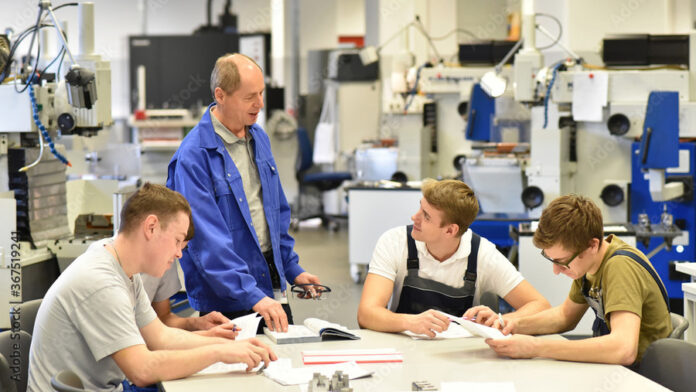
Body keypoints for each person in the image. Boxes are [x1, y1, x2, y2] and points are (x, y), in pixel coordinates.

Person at [27, 184, 276, 392]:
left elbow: (160, 338)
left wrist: (227, 346)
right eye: (177, 240)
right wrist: (219, 353)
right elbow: (142, 370)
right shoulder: (101, 282)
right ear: (151, 227)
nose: (179, 253)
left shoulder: (121, 267)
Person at [167, 53, 321, 333]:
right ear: (221, 95)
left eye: (261, 94)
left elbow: (275, 213)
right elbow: (206, 243)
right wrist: (252, 296)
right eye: (250, 96)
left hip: (270, 288)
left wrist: (292, 269)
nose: (260, 104)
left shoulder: (257, 136)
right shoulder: (194, 157)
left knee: (286, 366)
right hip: (227, 298)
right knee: (240, 373)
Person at [485, 195, 672, 366]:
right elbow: (565, 317)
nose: (556, 271)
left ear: (592, 245)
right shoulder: (589, 265)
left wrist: (535, 347)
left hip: (644, 377)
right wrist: (511, 324)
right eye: (551, 260)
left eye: (562, 262)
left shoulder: (619, 267)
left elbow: (623, 350)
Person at [357, 179, 550, 338]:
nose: (414, 217)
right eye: (420, 208)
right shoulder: (395, 242)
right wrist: (410, 322)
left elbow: (541, 307)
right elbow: (366, 314)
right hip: (403, 350)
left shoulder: (482, 254)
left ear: (450, 230)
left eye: (426, 216)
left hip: (460, 357)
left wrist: (502, 320)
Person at [140, 254, 239, 339]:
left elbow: (162, 319)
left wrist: (196, 323)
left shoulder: (166, 256)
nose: (179, 254)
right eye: (177, 240)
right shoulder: (126, 280)